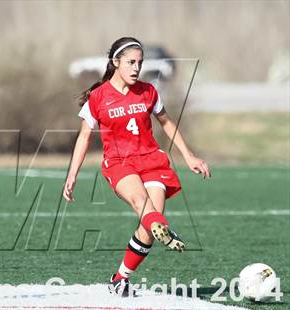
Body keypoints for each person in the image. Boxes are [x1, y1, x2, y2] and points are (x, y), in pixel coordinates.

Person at [63, 37, 210, 297]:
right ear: (115, 62)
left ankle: (120, 278)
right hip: (119, 162)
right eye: (130, 62)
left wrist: (189, 156)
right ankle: (163, 225)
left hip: (151, 160)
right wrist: (72, 174)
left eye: (139, 63)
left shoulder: (148, 91)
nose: (135, 68)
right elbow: (85, 136)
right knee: (143, 204)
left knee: (150, 228)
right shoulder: (98, 97)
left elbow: (166, 123)